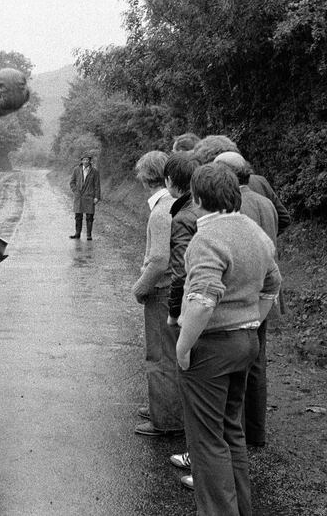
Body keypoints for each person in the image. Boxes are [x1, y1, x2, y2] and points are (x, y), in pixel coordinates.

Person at [176, 163, 280, 516]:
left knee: (206, 442)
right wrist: (251, 321)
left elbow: (204, 297)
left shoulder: (207, 237)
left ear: (198, 197)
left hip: (212, 348)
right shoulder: (255, 232)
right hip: (246, 344)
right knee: (231, 432)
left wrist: (183, 345)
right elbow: (272, 285)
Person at [213, 151, 279, 450]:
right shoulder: (265, 202)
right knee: (257, 362)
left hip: (244, 295)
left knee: (236, 367)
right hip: (267, 290)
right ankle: (255, 431)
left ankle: (233, 435)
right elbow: (284, 220)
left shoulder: (235, 206)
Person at [131, 151, 184, 437]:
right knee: (168, 354)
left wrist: (140, 288)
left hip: (162, 291)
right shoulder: (171, 204)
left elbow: (159, 261)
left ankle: (165, 420)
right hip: (170, 289)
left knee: (160, 356)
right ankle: (162, 406)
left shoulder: (161, 211)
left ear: (143, 177)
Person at [163, 150, 206, 484]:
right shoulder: (205, 209)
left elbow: (180, 271)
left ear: (169, 183)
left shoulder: (181, 217)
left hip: (195, 307)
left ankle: (200, 461)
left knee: (195, 384)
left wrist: (173, 314)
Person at [69, 152, 101, 240]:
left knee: (89, 216)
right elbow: (72, 182)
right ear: (81, 161)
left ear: (90, 161)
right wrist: (75, 191)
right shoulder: (76, 170)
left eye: (87, 160)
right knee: (78, 216)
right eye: (84, 160)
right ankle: (77, 233)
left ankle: (89, 235)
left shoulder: (94, 171)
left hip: (89, 196)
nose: (86, 161)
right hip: (79, 196)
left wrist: (97, 197)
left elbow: (97, 185)